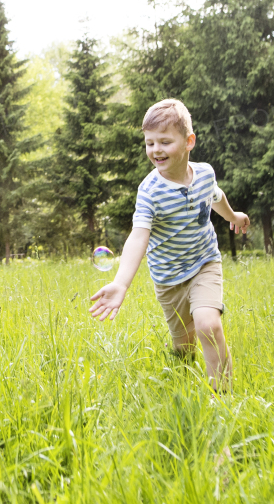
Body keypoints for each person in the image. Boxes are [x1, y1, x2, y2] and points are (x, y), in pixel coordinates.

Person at [88, 99, 250, 390]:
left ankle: (223, 397)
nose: (156, 150)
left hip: (204, 263)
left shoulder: (205, 174)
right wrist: (121, 284)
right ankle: (181, 379)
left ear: (189, 141)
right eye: (150, 143)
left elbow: (216, 197)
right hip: (168, 277)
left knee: (208, 325)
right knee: (183, 345)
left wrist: (234, 216)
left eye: (164, 142)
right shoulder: (149, 192)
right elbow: (139, 235)